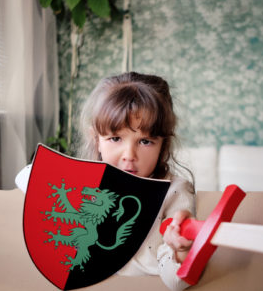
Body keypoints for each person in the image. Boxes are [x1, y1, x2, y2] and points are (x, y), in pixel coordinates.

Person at [14, 72, 195, 290]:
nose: (129, 154)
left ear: (163, 146)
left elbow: (176, 282)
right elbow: (24, 175)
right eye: (116, 138)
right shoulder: (88, 182)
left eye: (145, 141)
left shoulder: (175, 192)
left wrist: (181, 250)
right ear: (96, 140)